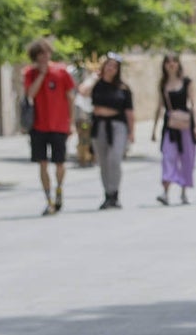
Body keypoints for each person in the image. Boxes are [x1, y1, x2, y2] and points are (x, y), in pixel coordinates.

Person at [23, 39, 77, 216]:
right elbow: (30, 95)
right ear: (35, 57)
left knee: (60, 163)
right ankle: (49, 200)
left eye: (46, 53)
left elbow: (70, 98)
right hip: (38, 126)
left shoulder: (61, 72)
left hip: (59, 125)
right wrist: (41, 75)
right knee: (42, 164)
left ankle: (59, 190)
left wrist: (71, 122)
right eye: (40, 54)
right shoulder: (30, 73)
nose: (44, 57)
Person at [88, 53, 135, 210]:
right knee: (103, 162)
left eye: (114, 66)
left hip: (118, 126)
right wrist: (94, 77)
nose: (111, 69)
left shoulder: (123, 88)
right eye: (108, 65)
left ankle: (114, 192)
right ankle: (108, 194)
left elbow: (129, 112)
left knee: (114, 160)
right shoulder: (96, 84)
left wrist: (131, 132)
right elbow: (81, 91)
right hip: (99, 126)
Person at [151, 54, 196, 205]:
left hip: (185, 124)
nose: (171, 65)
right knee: (168, 157)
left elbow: (193, 103)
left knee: (187, 157)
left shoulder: (186, 82)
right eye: (168, 62)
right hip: (170, 126)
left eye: (174, 62)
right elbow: (159, 107)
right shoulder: (163, 84)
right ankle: (165, 192)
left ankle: (184, 191)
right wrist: (154, 128)